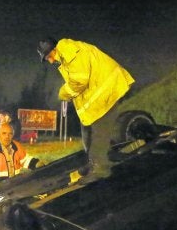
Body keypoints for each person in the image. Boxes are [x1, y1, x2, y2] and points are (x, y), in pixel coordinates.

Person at [37, 37, 135, 183]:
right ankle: (93, 163)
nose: (50, 61)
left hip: (107, 89)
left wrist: (63, 93)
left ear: (54, 49)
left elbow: (79, 82)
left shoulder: (71, 52)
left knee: (100, 130)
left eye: (49, 57)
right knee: (87, 131)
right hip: (99, 93)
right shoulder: (66, 57)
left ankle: (101, 169)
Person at [0, 123, 44, 191]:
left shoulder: (17, 147)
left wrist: (37, 164)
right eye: (4, 133)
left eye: (10, 134)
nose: (7, 136)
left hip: (14, 187)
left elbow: (26, 160)